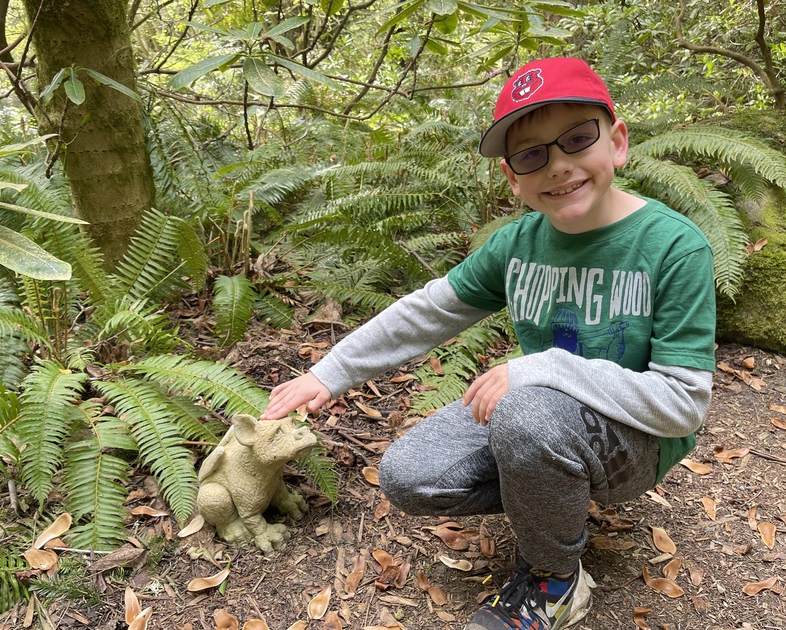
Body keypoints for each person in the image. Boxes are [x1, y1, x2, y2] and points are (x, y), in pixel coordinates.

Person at [260, 57, 716, 630]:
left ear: (618, 142)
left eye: (577, 139)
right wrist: (329, 372)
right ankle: (554, 495)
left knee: (526, 411)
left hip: (635, 445)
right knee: (411, 474)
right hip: (547, 418)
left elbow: (682, 403)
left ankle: (556, 580)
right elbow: (429, 310)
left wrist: (539, 369)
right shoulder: (518, 244)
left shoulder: (673, 246)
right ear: (513, 178)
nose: (559, 165)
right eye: (532, 155)